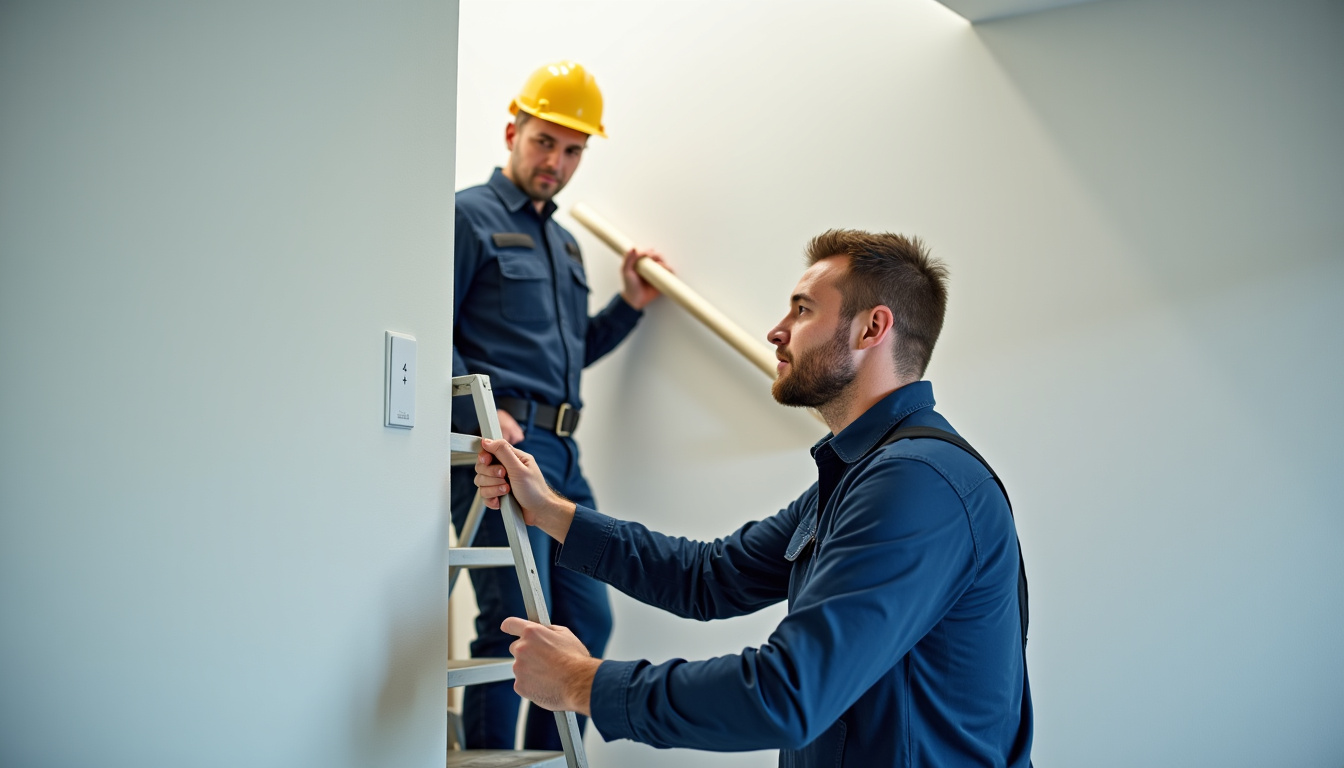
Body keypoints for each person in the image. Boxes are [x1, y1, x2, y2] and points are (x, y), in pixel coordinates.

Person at [472, 230, 1034, 767]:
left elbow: (786, 692)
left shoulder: (916, 484)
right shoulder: (860, 475)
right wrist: (550, 509)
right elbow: (709, 575)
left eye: (803, 309)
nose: (776, 330)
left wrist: (581, 682)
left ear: (871, 329)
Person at [451, 60, 668, 750]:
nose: (557, 162)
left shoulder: (567, 244)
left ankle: (545, 759)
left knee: (585, 627)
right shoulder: (466, 216)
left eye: (573, 150)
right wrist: (479, 417)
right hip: (505, 447)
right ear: (513, 130)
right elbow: (430, 327)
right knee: (514, 620)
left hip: (565, 455)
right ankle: (490, 762)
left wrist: (630, 307)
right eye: (545, 141)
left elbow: (574, 348)